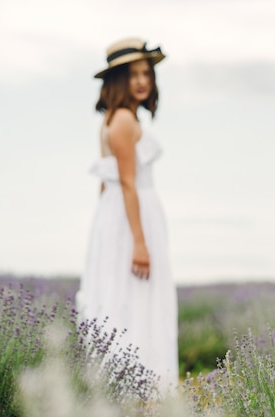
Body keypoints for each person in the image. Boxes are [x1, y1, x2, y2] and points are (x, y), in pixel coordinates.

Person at [76, 37, 178, 393]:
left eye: (146, 73)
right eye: (133, 74)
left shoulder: (119, 118)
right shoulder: (121, 120)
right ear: (117, 79)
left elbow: (108, 186)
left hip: (120, 216)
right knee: (136, 299)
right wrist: (138, 242)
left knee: (128, 297)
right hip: (130, 218)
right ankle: (142, 388)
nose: (142, 81)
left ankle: (131, 387)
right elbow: (127, 183)